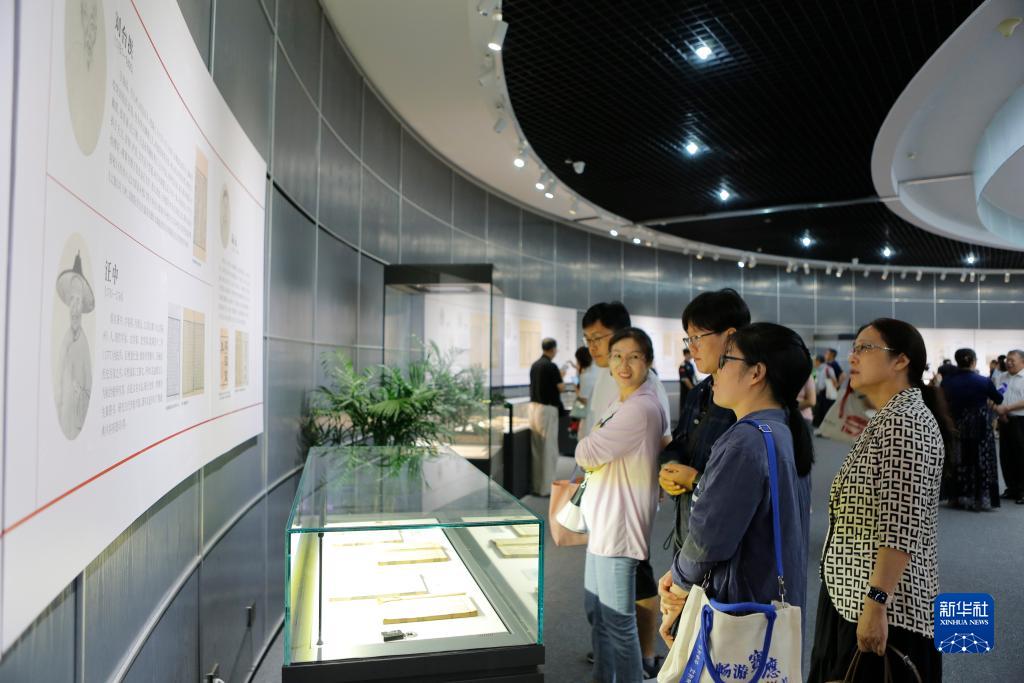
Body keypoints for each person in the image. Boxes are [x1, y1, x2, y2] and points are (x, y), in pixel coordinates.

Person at [808, 318, 953, 682]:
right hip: (855, 592)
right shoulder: (890, 416)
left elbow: (900, 526)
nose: (852, 357)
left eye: (865, 348)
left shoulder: (906, 422)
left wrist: (876, 602)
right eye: (853, 348)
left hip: (885, 605)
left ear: (901, 360)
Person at [658, 323, 814, 646]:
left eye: (726, 359)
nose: (717, 369)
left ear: (756, 372)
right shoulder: (780, 429)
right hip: (769, 602)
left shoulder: (746, 440)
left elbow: (710, 536)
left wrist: (679, 583)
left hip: (739, 606)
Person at [581, 301, 670, 675]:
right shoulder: (621, 392)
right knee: (601, 614)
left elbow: (587, 450)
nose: (621, 362)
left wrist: (591, 446)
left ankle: (641, 662)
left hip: (620, 518)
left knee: (619, 620)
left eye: (632, 356)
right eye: (616, 355)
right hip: (606, 513)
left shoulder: (640, 402)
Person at [658, 288, 750, 553]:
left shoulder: (750, 401)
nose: (692, 347)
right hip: (689, 533)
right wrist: (669, 467)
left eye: (698, 337)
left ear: (731, 336)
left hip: (725, 546)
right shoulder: (699, 392)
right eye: (689, 338)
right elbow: (679, 442)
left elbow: (750, 484)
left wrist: (696, 480)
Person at [940, 348, 1003, 511]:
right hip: (980, 427)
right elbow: (998, 398)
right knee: (980, 460)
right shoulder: (983, 381)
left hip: (956, 426)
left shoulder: (947, 382)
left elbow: (942, 402)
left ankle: (957, 497)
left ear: (957, 362)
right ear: (974, 362)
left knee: (958, 459)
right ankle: (980, 498)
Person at [55, 251, 94, 439]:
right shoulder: (64, 341)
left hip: (76, 424)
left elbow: (89, 389)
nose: (74, 307)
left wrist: (79, 393)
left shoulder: (84, 346)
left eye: (78, 300)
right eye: (71, 299)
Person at [528, 338, 568, 496]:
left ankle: (537, 486)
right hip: (547, 409)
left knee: (537, 448)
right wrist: (561, 376)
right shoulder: (551, 366)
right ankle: (546, 488)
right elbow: (561, 388)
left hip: (533, 408)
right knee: (548, 449)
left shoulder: (535, 365)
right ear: (553, 349)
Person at [994, 350, 1024, 503]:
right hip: (1004, 420)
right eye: (1008, 360)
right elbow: (993, 396)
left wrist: (1006, 408)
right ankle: (1011, 488)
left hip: (1021, 420)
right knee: (1006, 456)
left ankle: (1022, 491)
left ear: (1022, 362)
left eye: (1012, 360)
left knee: (1021, 455)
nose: (1009, 362)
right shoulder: (1001, 377)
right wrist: (999, 412)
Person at [575, 345, 598, 437]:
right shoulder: (599, 370)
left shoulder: (585, 376)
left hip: (588, 415)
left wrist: (577, 391)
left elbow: (582, 401)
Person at [812, 354, 837, 428]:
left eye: (815, 361)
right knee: (818, 410)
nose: (814, 363)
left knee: (825, 410)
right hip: (818, 394)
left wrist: (832, 390)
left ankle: (825, 427)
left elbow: (834, 381)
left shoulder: (828, 369)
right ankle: (818, 426)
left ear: (818, 361)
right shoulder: (816, 370)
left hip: (826, 394)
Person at [677, 348, 696, 414]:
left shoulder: (691, 365)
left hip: (691, 391)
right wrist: (693, 390)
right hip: (686, 392)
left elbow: (693, 378)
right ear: (687, 354)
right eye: (690, 353)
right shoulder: (683, 365)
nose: (692, 354)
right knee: (685, 410)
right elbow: (685, 379)